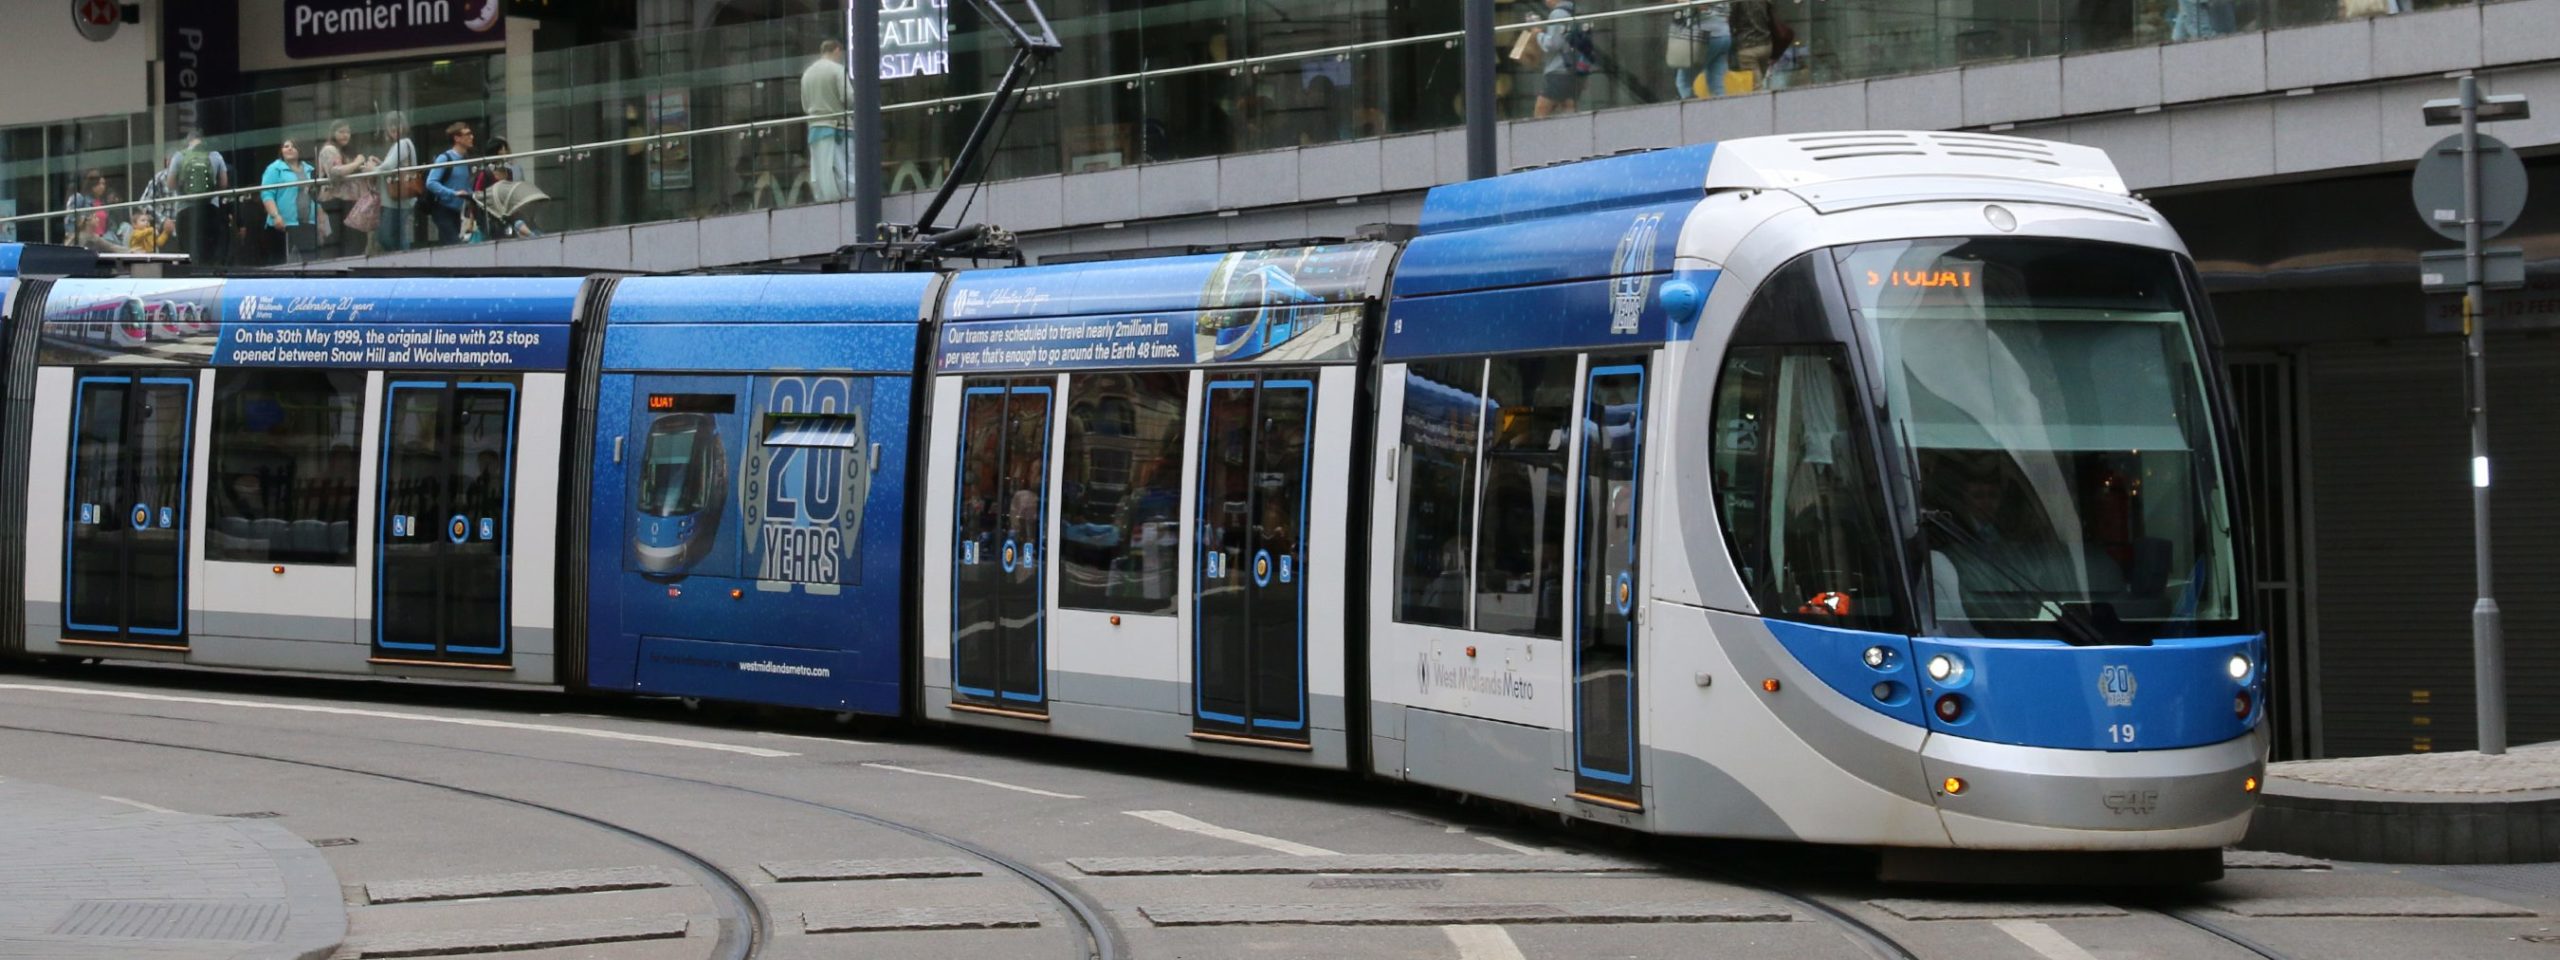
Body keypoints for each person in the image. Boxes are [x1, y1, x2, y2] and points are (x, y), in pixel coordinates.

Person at [165, 130, 230, 261]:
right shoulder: (215, 155)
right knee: (209, 251)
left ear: (188, 141)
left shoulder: (179, 156)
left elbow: (170, 184)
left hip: (185, 211)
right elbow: (224, 184)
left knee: (188, 253)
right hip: (210, 209)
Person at [315, 120, 376, 259]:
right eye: (341, 132)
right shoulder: (329, 149)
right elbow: (335, 173)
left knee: (356, 242)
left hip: (351, 201)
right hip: (336, 201)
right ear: (333, 133)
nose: (345, 135)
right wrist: (358, 162)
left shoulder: (346, 151)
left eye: (347, 132)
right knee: (340, 244)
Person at [802, 39, 852, 203]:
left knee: (820, 173)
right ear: (837, 50)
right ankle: (849, 201)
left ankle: (824, 202)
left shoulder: (807, 73)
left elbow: (805, 104)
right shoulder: (837, 70)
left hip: (815, 129)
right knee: (845, 170)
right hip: (838, 127)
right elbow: (849, 97)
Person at [260, 138, 319, 264]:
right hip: (283, 224)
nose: (290, 148)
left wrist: (321, 215)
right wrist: (275, 216)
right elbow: (267, 195)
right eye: (286, 146)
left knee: (310, 262)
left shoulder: (309, 168)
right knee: (280, 263)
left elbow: (314, 194)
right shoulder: (274, 169)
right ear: (281, 151)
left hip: (307, 222)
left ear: (299, 151)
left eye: (293, 146)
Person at [423, 121, 476, 247]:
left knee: (448, 246)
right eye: (467, 134)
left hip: (457, 211)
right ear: (457, 138)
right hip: (442, 209)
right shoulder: (445, 158)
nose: (471, 137)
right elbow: (431, 182)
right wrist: (453, 193)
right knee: (454, 244)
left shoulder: (466, 159)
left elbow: (465, 183)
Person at [1533, 0, 1589, 118]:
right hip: (1576, 70)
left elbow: (1553, 44)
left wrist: (1538, 34)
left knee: (1541, 109)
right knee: (1568, 108)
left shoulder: (1558, 13)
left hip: (1559, 71)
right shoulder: (1576, 12)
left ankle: (1537, 136)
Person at [1668, 0, 1734, 98]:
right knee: (1716, 83)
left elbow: (1702, 6)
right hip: (1724, 34)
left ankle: (1692, 110)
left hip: (1705, 37)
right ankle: (1722, 110)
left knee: (1683, 82)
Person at [376, 112, 420, 253]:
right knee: (398, 235)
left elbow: (388, 167)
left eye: (398, 124)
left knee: (387, 236)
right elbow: (391, 165)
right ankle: (400, 260)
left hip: (397, 200)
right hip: (398, 199)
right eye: (391, 125)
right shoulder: (401, 144)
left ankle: (402, 262)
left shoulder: (402, 143)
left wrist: (373, 168)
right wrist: (380, 164)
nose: (394, 128)